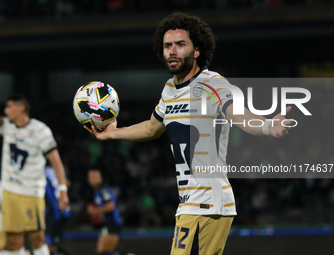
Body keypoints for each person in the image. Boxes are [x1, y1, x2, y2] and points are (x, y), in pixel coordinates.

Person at [86, 12, 294, 255]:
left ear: (197, 51)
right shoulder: (169, 90)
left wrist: (267, 125)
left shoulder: (213, 83)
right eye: (167, 46)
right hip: (188, 202)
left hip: (211, 201)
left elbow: (238, 114)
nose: (172, 51)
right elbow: (152, 128)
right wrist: (112, 133)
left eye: (180, 44)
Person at [0, 95, 69, 255]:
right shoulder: (8, 127)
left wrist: (63, 190)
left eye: (9, 107)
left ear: (20, 108)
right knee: (13, 241)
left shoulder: (40, 130)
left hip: (31, 192)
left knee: (37, 238)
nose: (5, 111)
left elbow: (56, 162)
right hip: (10, 191)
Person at [87, 169, 122, 255]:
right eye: (91, 177)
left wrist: (96, 211)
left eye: (96, 177)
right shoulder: (96, 192)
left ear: (101, 178)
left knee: (101, 249)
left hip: (113, 222)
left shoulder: (104, 189)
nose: (93, 179)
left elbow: (110, 206)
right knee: (106, 250)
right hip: (108, 223)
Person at [44, 166, 71, 255]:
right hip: (62, 210)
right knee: (49, 244)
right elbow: (67, 182)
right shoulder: (57, 169)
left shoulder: (42, 170)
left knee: (48, 245)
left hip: (54, 211)